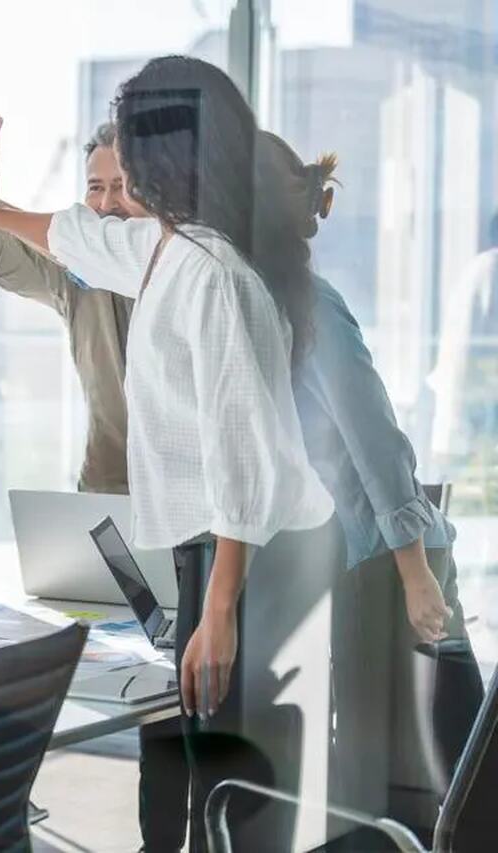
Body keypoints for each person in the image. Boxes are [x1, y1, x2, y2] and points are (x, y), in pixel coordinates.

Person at [0, 56, 335, 849]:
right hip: (210, 554)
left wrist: (221, 609)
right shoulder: (174, 250)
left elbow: (242, 455)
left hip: (241, 562)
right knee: (193, 761)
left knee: (227, 777)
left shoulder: (210, 274)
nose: (116, 179)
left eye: (127, 156)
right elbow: (80, 240)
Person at [0, 120, 188, 851]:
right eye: (95, 189)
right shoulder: (79, 272)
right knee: (101, 672)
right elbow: (0, 256)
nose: (106, 205)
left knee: (176, 696)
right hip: (106, 502)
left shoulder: (185, 271)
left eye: (123, 189)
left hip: (192, 512)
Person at [256, 131, 484, 836]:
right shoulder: (262, 304)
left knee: (430, 770)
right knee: (385, 769)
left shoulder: (313, 307)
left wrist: (415, 572)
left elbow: (377, 442)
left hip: (392, 561)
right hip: (361, 560)